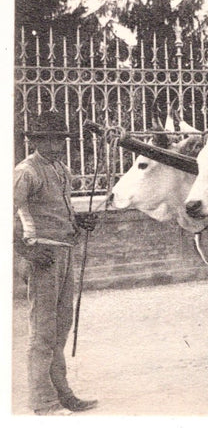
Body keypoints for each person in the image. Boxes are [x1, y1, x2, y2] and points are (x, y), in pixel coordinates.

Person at [13, 110, 99, 416]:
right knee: (43, 331)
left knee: (62, 325)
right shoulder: (27, 172)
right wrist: (25, 251)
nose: (54, 144)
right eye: (46, 139)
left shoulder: (61, 170)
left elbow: (54, 209)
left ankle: (62, 393)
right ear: (35, 141)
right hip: (42, 257)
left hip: (64, 252)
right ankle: (43, 402)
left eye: (58, 139)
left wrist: (79, 219)